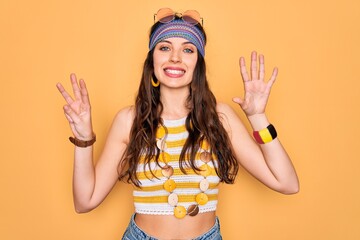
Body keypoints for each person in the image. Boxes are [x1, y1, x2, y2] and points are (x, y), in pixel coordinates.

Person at [56, 8, 299, 240]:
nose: (175, 57)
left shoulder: (219, 117)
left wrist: (258, 117)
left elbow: (286, 182)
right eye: (164, 47)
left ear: (198, 63)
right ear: (152, 60)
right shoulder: (129, 121)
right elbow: (85, 201)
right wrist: (83, 139)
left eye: (188, 50)